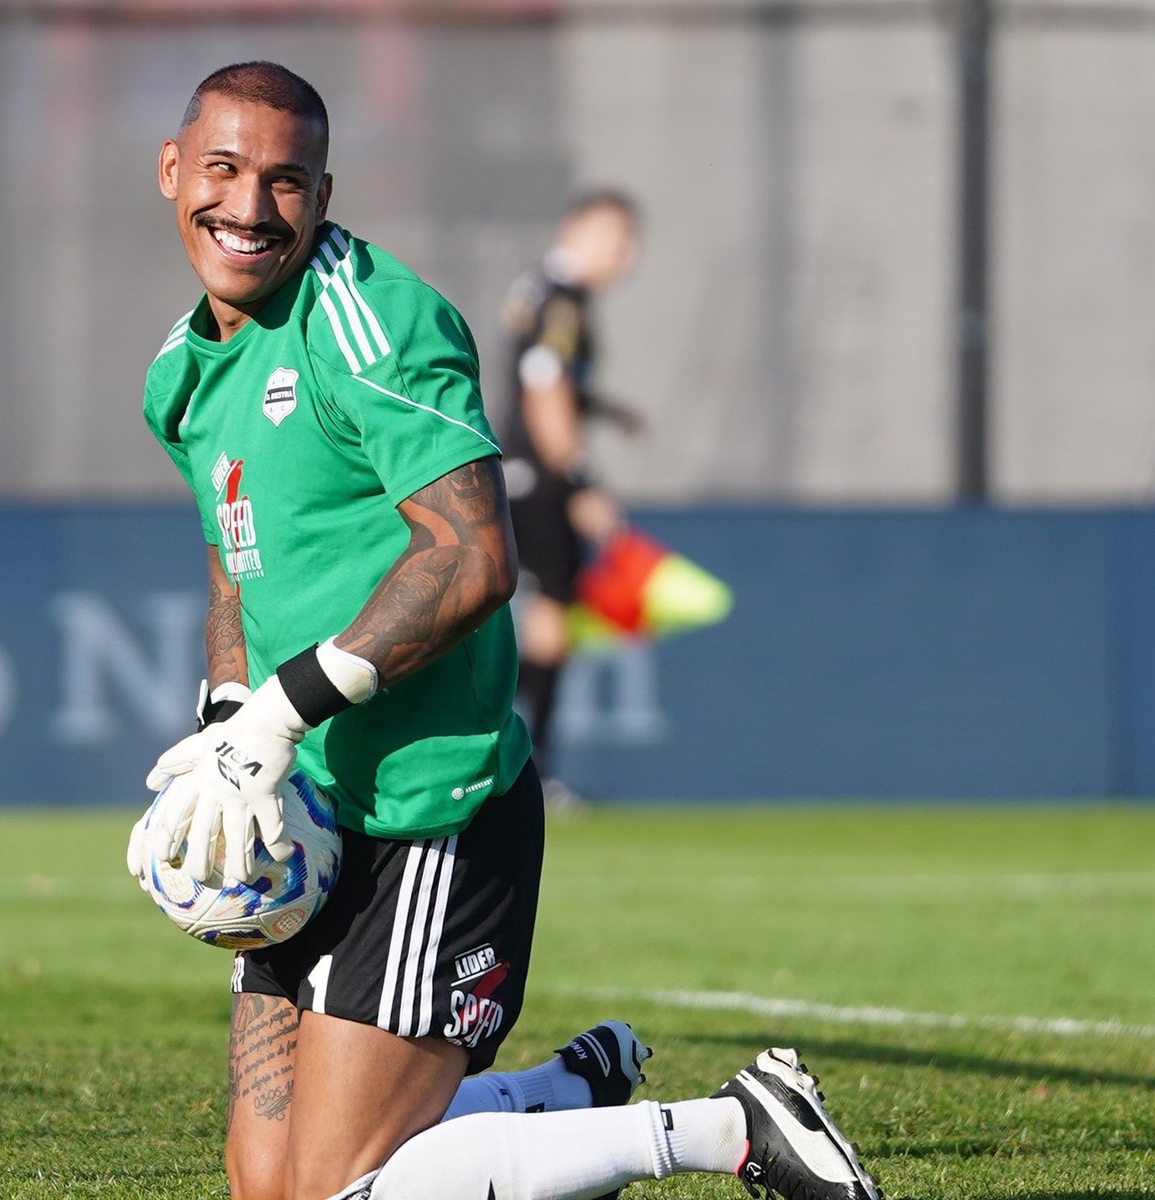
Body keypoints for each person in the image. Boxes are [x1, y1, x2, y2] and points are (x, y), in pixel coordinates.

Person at [127, 61, 880, 1200]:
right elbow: (236, 564)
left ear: (322, 196)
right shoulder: (180, 375)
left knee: (344, 1191)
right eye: (223, 170)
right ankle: (565, 1090)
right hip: (302, 809)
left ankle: (725, 1126)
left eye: (285, 181)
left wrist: (277, 712)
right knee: (268, 1190)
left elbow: (475, 559)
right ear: (171, 171)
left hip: (432, 808)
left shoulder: (374, 319)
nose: (247, 206)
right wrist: (230, 718)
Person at [499, 192, 645, 802]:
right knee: (552, 620)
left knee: (547, 623)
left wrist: (605, 409)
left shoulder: (544, 293)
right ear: (575, 230)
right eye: (613, 238)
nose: (624, 255)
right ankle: (533, 768)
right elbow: (544, 389)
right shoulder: (561, 301)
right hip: (540, 476)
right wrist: (579, 479)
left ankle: (530, 764)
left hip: (525, 471)